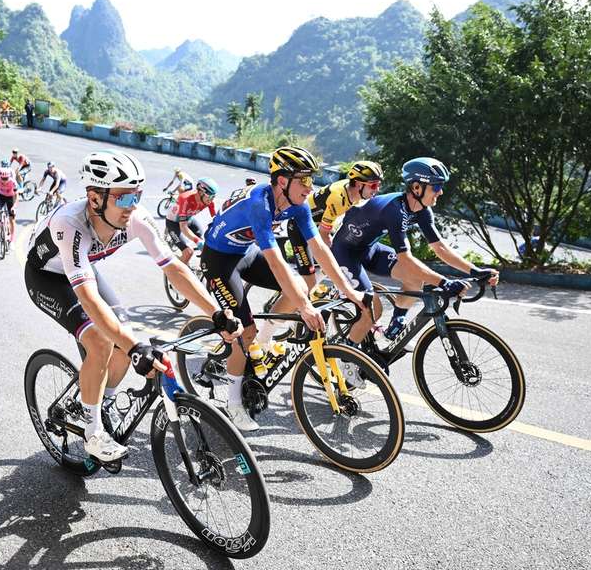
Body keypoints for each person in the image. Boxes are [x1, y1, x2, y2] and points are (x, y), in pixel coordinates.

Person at [24, 150, 242, 461]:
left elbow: (174, 269)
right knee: (102, 341)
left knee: (125, 338)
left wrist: (216, 313)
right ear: (95, 198)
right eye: (124, 198)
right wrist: (134, 346)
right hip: (46, 277)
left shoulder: (135, 218)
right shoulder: (69, 224)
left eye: (137, 195)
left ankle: (102, 402)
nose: (133, 206)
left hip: (83, 271)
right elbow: (87, 297)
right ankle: (93, 431)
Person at [200, 146, 366, 431]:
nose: (309, 187)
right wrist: (304, 307)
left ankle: (262, 343)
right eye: (303, 180)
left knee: (302, 285)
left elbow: (320, 251)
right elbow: (276, 262)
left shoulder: (299, 206)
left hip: (245, 252)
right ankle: (233, 404)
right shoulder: (259, 204)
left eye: (311, 180)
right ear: (281, 181)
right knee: (244, 331)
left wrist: (349, 290)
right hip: (219, 259)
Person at [331, 157, 499, 344]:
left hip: (369, 248)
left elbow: (440, 247)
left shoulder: (422, 211)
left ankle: (395, 327)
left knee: (415, 278)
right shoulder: (394, 210)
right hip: (345, 252)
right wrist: (445, 283)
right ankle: (347, 359)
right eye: (436, 187)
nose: (440, 192)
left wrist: (475, 271)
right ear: (417, 187)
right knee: (372, 310)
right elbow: (406, 260)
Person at [287, 160, 384, 290]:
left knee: (334, 259)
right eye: (373, 186)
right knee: (311, 279)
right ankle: (296, 298)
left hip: (317, 225)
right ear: (358, 184)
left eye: (379, 185)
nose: (377, 190)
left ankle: (313, 288)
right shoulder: (338, 198)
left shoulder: (355, 193)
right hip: (299, 228)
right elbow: (323, 233)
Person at [164, 177, 218, 265]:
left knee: (205, 241)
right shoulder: (185, 199)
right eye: (210, 196)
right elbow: (183, 227)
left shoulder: (210, 202)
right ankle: (176, 271)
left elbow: (216, 220)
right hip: (173, 223)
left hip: (189, 219)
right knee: (188, 252)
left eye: (214, 197)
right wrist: (197, 242)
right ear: (200, 192)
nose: (211, 200)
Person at [0, 166, 19, 242]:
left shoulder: (13, 182)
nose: (4, 181)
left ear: (9, 177)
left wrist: (14, 207)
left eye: (6, 178)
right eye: (2, 178)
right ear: (0, 177)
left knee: (12, 219)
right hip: (1, 196)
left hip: (11, 197)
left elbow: (17, 196)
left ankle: (12, 239)